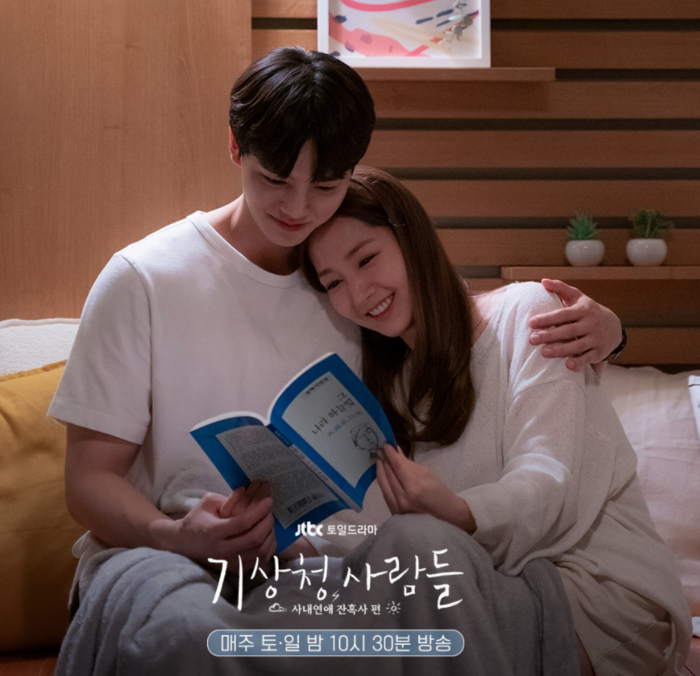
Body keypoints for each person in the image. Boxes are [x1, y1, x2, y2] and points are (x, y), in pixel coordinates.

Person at [49, 46, 626, 674]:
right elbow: (88, 481)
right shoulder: (143, 279)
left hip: (313, 566)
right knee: (192, 635)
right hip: (162, 554)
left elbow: (467, 331)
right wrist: (177, 536)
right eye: (275, 180)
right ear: (236, 148)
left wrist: (609, 329)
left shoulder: (347, 290)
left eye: (326, 186)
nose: (298, 208)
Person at [299, 166, 691, 676]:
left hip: (597, 587)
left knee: (413, 550)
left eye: (366, 258)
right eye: (333, 282)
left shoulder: (526, 313)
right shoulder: (388, 382)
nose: (357, 293)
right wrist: (287, 546)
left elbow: (548, 480)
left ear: (411, 238)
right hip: (485, 581)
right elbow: (374, 521)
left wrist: (459, 512)